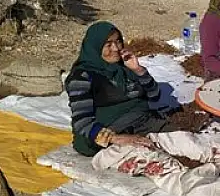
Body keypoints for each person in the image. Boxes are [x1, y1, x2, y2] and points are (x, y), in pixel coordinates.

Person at [66, 21, 170, 157]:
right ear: (95, 47)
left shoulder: (125, 67)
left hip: (141, 122)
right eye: (108, 44)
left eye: (118, 41)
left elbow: (154, 96)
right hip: (106, 135)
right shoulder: (82, 77)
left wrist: (139, 70)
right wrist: (117, 138)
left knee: (184, 140)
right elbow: (82, 121)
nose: (115, 48)